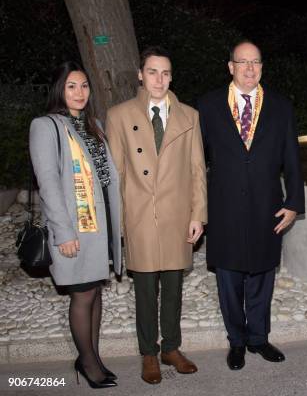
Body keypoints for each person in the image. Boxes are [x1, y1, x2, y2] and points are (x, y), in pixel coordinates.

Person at [197, 40, 305, 371]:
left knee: (261, 274)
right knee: (228, 276)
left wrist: (294, 202)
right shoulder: (207, 105)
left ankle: (258, 338)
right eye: (242, 62)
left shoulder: (280, 106)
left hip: (266, 204)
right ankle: (237, 341)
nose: (249, 68)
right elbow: (195, 163)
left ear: (262, 67)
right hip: (223, 206)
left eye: (255, 62)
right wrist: (195, 208)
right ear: (230, 66)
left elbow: (292, 159)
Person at [105, 46, 207, 384]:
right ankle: (149, 352)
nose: (159, 79)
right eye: (152, 71)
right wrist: (118, 222)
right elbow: (116, 174)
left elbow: (197, 170)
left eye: (165, 73)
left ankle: (171, 348)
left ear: (171, 76)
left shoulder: (188, 115)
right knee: (145, 289)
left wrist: (198, 214)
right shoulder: (120, 115)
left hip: (177, 214)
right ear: (140, 74)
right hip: (139, 214)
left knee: (174, 288)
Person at [29, 61, 121, 388]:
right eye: (71, 86)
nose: (79, 92)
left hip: (98, 228)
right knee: (82, 296)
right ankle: (87, 363)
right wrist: (63, 232)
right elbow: (48, 183)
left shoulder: (93, 124)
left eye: (84, 86)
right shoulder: (46, 126)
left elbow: (105, 176)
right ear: (59, 89)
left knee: (95, 293)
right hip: (74, 229)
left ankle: (92, 356)